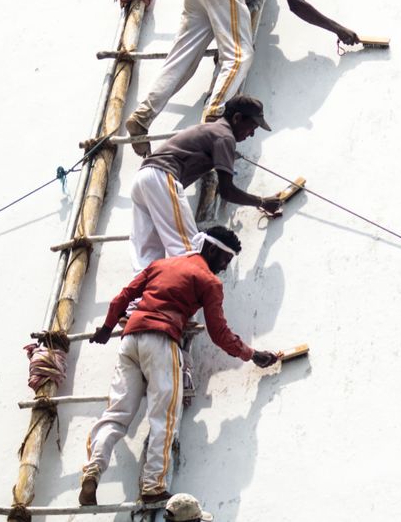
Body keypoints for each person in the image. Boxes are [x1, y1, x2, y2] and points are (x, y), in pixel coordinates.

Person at [79, 226, 280, 506]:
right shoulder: (209, 281)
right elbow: (219, 333)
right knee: (164, 416)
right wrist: (251, 354)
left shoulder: (160, 265)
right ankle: (152, 486)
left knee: (117, 413)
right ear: (211, 250)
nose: (224, 267)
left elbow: (121, 298)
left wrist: (106, 328)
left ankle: (92, 471)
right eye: (225, 260)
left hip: (130, 341)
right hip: (161, 343)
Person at [125, 0, 359, 155]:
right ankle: (213, 119)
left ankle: (142, 117)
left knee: (181, 61)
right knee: (240, 55)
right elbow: (297, 4)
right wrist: (338, 29)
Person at [129, 94, 282, 272]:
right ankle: (187, 295)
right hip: (162, 177)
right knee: (189, 252)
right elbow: (227, 191)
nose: (252, 133)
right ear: (237, 118)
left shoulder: (213, 130)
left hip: (143, 178)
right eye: (252, 127)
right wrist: (262, 202)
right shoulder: (225, 137)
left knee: (146, 254)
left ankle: (141, 296)